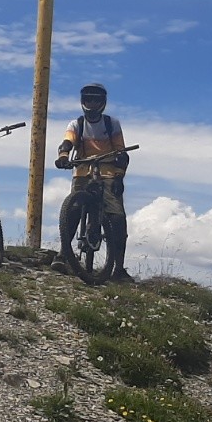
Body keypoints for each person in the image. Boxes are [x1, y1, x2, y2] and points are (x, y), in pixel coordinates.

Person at [54, 82, 132, 281]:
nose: (92, 103)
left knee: (117, 219)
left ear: (103, 102)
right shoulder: (76, 124)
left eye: (96, 99)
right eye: (89, 99)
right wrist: (63, 156)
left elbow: (122, 153)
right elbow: (67, 142)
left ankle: (119, 268)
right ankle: (63, 255)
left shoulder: (111, 124)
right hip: (82, 172)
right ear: (83, 101)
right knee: (72, 210)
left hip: (107, 173)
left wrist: (119, 176)